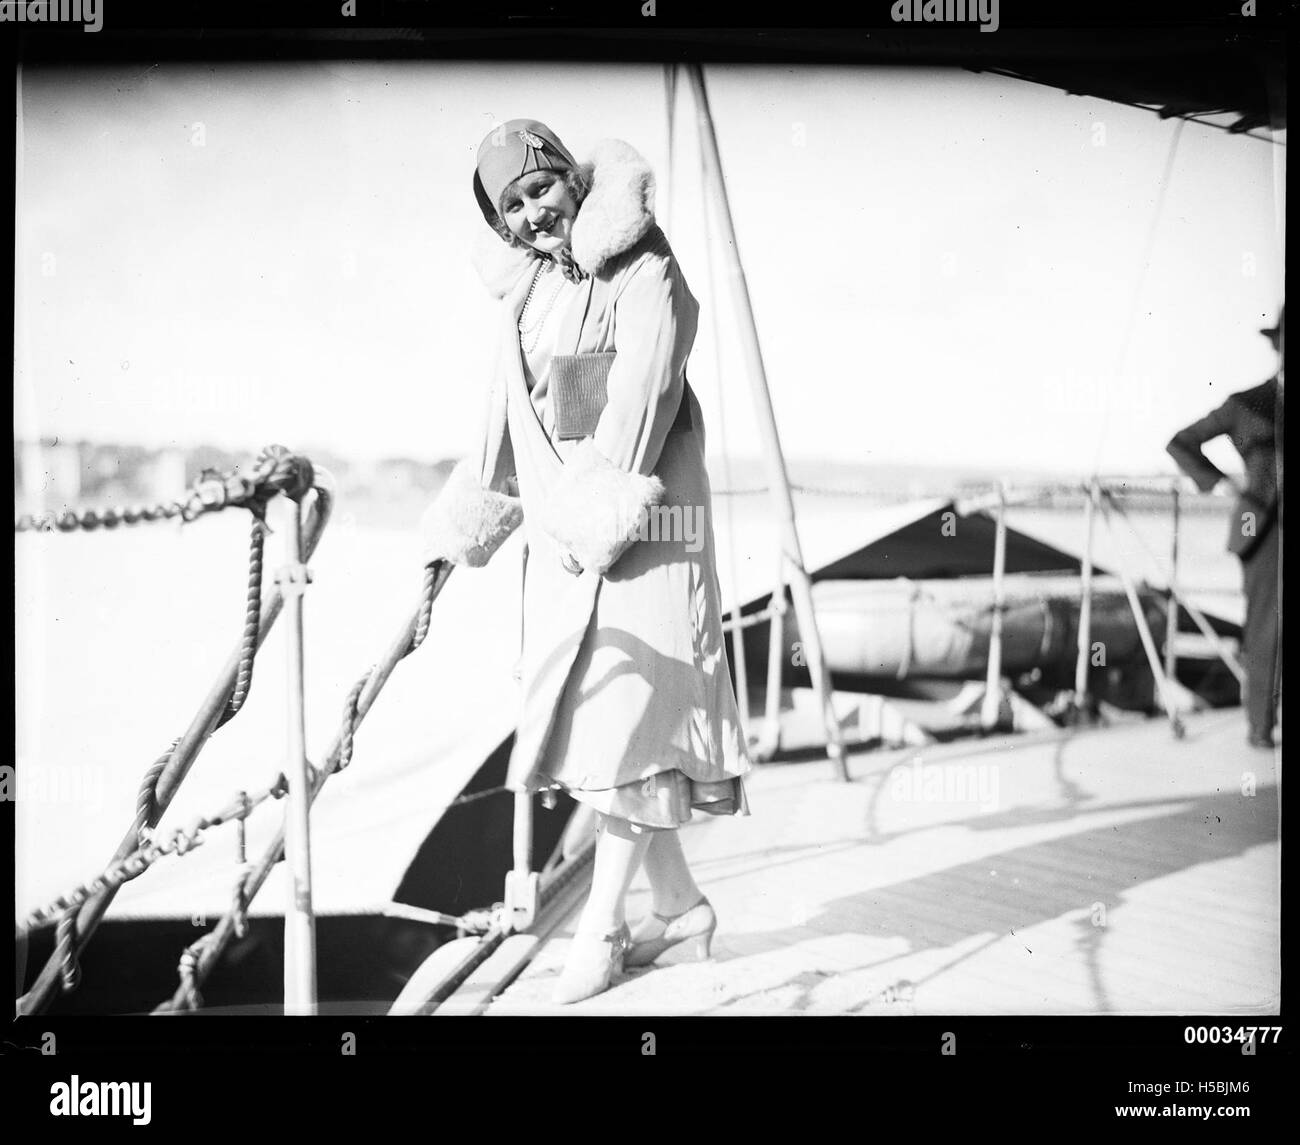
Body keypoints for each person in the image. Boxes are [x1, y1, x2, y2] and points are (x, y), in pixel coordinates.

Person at [420, 120, 751, 1003]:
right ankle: (679, 910)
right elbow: (506, 421)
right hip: (569, 541)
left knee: (633, 718)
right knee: (605, 721)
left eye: (544, 189)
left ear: (573, 178)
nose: (534, 213)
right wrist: (462, 532)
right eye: (514, 204)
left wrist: (594, 509)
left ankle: (599, 930)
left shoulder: (643, 264)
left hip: (649, 520)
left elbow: (646, 387)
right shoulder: (526, 296)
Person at [1167, 305, 1283, 748]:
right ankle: (1260, 727)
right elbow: (1181, 443)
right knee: (1265, 627)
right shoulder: (1247, 403)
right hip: (1264, 531)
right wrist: (1223, 486)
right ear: (1278, 347)